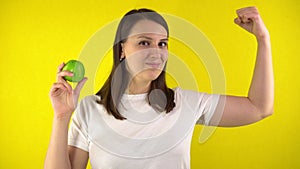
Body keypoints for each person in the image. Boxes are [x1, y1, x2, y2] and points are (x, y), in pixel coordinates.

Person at [44, 6, 274, 169]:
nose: (156, 52)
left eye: (162, 43)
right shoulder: (90, 109)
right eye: (144, 42)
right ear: (122, 49)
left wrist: (263, 39)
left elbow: (259, 108)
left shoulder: (186, 103)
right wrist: (62, 117)